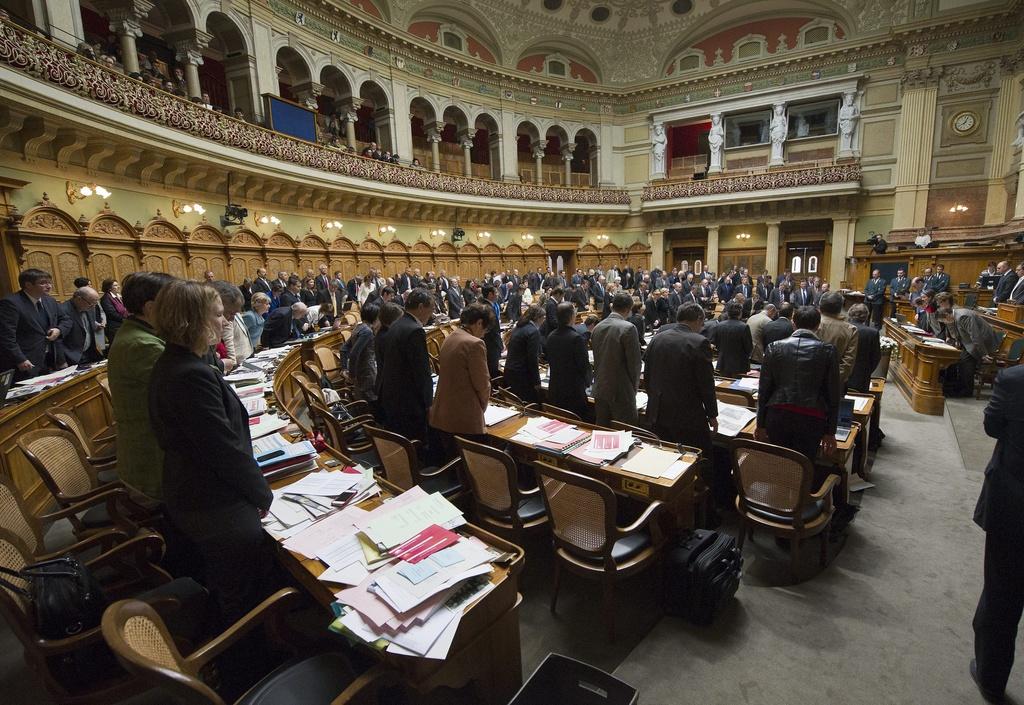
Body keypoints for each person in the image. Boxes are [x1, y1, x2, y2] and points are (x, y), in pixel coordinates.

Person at [149, 280, 276, 628]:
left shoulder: (181, 362)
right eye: (218, 314)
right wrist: (262, 493)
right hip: (211, 500)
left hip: (200, 490)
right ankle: (248, 653)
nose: (224, 321)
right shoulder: (189, 374)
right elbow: (221, 448)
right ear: (192, 320)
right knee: (240, 586)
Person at [971, 364, 1024, 703]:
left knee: (1002, 593)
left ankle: (991, 679)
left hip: (1014, 502)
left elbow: (992, 426)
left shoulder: (1014, 379)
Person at [107, 272, 174, 500]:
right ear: (150, 308)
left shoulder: (142, 334)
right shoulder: (142, 344)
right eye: (174, 303)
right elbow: (193, 386)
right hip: (154, 464)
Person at [756, 305, 841, 463]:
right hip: (812, 418)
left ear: (793, 323)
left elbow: (764, 389)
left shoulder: (774, 347)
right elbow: (833, 393)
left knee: (777, 463)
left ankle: (779, 488)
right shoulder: (828, 350)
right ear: (818, 325)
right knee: (804, 466)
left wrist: (760, 424)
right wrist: (831, 431)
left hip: (777, 414)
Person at [645, 303, 718, 456]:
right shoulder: (699, 342)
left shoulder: (657, 338)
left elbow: (648, 375)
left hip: (657, 411)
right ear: (698, 319)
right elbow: (706, 384)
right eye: (702, 323)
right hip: (687, 415)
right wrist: (712, 414)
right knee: (699, 458)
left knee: (663, 456)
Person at [429, 303, 493, 456]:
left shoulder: (451, 336)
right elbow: (482, 384)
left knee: (455, 462)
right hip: (465, 417)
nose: (484, 334)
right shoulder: (474, 343)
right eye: (485, 329)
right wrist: (482, 407)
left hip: (443, 412)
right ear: (478, 323)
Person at [377, 289, 435, 446]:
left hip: (393, 395)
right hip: (409, 402)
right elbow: (422, 372)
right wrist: (429, 403)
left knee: (400, 443)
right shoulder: (415, 330)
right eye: (430, 311)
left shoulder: (396, 324)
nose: (430, 316)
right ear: (422, 307)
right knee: (416, 445)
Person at [0, 268, 70, 381]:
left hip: (52, 358)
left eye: (49, 282)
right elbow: (6, 336)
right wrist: (20, 359)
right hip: (27, 361)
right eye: (43, 283)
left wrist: (59, 330)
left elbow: (66, 320)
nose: (49, 286)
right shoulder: (11, 303)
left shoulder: (49, 300)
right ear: (28, 285)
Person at [591, 292, 642, 426]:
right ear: (628, 309)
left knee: (602, 432)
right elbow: (635, 365)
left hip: (600, 388)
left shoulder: (597, 327)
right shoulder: (629, 328)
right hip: (622, 391)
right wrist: (633, 389)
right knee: (625, 432)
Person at [935, 294, 998, 398]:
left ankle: (966, 391)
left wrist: (984, 354)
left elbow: (975, 336)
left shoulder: (963, 317)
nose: (945, 323)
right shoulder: (953, 316)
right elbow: (958, 332)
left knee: (965, 360)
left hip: (985, 340)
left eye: (944, 321)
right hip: (970, 341)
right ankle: (956, 386)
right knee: (957, 357)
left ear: (947, 316)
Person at [545, 302, 591, 421]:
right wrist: (588, 383)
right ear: (572, 316)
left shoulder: (550, 336)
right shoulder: (576, 339)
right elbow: (583, 366)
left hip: (555, 388)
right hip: (573, 391)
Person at [503, 304, 545, 403]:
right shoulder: (533, 331)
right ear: (537, 318)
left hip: (510, 370)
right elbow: (532, 359)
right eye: (543, 318)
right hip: (521, 375)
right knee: (532, 403)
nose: (544, 321)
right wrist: (537, 381)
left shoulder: (519, 326)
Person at [817, 291, 859, 387]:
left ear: (820, 306)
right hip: (835, 383)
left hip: (808, 379)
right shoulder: (851, 329)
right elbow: (848, 363)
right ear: (840, 308)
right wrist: (832, 380)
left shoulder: (811, 322)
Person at [340, 301, 379, 404]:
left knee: (363, 397)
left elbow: (344, 349)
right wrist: (351, 375)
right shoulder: (368, 331)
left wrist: (344, 368)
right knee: (370, 399)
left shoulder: (358, 327)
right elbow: (354, 353)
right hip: (367, 370)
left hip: (360, 369)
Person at [59, 286, 104, 365]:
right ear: (79, 299)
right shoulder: (62, 310)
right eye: (91, 304)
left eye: (95, 304)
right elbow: (58, 339)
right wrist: (61, 360)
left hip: (90, 354)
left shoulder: (90, 307)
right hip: (71, 357)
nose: (93, 307)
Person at [709, 301, 752, 377]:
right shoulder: (744, 327)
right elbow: (748, 347)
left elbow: (715, 343)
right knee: (737, 387)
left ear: (728, 313)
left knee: (724, 385)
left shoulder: (719, 325)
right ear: (740, 313)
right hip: (739, 364)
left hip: (723, 362)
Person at [846, 303, 881, 393]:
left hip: (841, 373)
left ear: (850, 313)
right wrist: (867, 370)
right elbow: (876, 357)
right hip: (862, 374)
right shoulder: (872, 333)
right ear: (866, 316)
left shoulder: (843, 328)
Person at [481, 285, 503, 380]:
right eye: (496, 293)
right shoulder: (488, 308)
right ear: (490, 294)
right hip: (491, 343)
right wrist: (500, 344)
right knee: (493, 369)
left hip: (487, 341)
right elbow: (494, 330)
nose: (498, 295)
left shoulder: (483, 304)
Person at [99, 277, 127, 344]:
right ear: (109, 288)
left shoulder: (119, 296)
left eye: (118, 285)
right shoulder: (105, 298)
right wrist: (124, 319)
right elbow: (111, 313)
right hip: (114, 327)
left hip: (122, 325)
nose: (118, 287)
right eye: (115, 285)